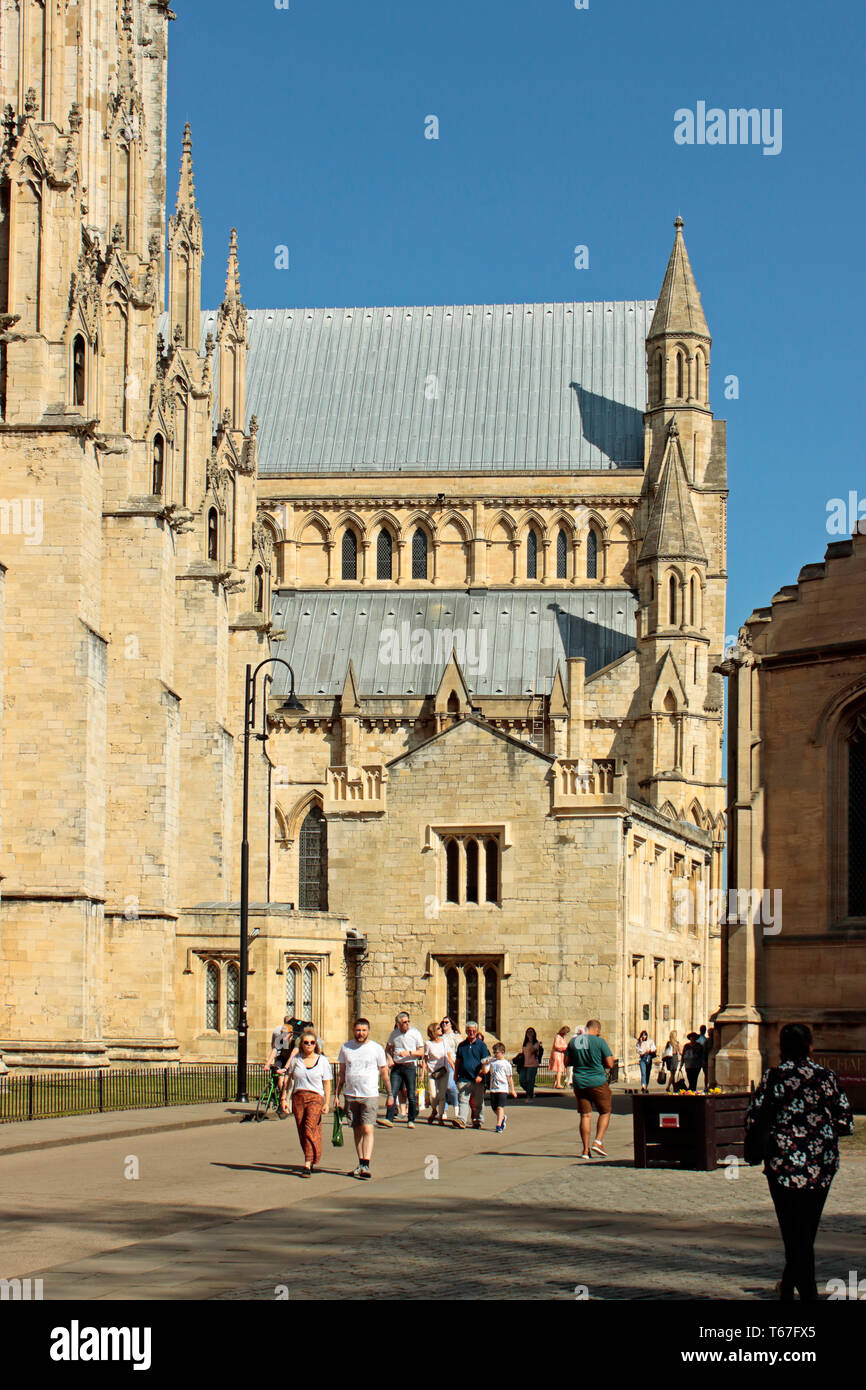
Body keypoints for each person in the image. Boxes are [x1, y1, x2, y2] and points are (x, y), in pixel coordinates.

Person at [745, 1022, 853, 1301]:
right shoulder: (825, 1077)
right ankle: (800, 1290)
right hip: (820, 1164)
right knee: (806, 1231)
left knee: (794, 1232)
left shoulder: (773, 1077)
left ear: (781, 1048)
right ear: (810, 1046)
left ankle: (800, 1291)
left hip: (783, 1164)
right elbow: (845, 1122)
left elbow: (753, 1119)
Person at [336, 1018, 390, 1180]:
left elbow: (384, 1072)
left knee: (367, 1128)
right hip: (351, 1094)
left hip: (370, 1094)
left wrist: (390, 1094)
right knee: (357, 1129)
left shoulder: (376, 1048)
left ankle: (366, 1163)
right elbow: (342, 1073)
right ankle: (361, 1162)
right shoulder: (346, 1047)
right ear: (354, 1030)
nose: (361, 1033)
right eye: (358, 1030)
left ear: (369, 1031)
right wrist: (337, 1094)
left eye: (364, 1030)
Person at [566, 1019, 617, 1158]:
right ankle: (598, 1141)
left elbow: (567, 1062)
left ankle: (585, 1150)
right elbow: (610, 1063)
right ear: (597, 1030)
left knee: (585, 1115)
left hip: (580, 1082)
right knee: (605, 1111)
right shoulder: (599, 1042)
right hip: (597, 1081)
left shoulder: (574, 1041)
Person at [285, 1028, 332, 1176]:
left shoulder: (322, 1061)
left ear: (316, 1044)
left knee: (308, 1128)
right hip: (298, 1097)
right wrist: (284, 1099)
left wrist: (326, 1103)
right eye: (306, 1042)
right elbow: (289, 1081)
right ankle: (313, 1155)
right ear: (301, 1044)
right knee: (302, 1130)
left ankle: (307, 1163)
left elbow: (327, 1084)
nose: (309, 1045)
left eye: (312, 1042)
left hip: (315, 1098)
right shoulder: (296, 1060)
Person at [380, 1011, 425, 1128]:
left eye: (408, 1021)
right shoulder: (394, 1034)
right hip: (397, 1066)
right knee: (392, 1093)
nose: (407, 1024)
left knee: (411, 1094)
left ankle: (411, 1119)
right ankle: (389, 1118)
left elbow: (421, 1051)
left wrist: (409, 1053)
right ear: (398, 1024)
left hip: (409, 1066)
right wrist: (389, 1059)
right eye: (404, 1022)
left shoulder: (415, 1033)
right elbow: (387, 1049)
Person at [454, 1020, 490, 1129]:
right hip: (464, 1078)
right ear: (466, 1031)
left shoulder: (482, 1045)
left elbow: (485, 1062)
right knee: (463, 1100)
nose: (471, 1033)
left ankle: (478, 1120)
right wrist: (455, 1074)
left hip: (477, 1079)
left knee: (478, 1102)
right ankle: (462, 1120)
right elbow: (458, 1061)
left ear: (477, 1031)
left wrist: (480, 1075)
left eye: (473, 1031)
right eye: (469, 1031)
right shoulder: (461, 1045)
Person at [266, 1015, 296, 1117]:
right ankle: (280, 1097)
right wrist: (267, 1063)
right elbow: (275, 1050)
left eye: (286, 1034)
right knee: (279, 1079)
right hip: (282, 1058)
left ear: (291, 1034)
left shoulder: (295, 1041)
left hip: (290, 1060)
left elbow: (292, 1056)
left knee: (285, 1080)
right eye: (282, 1033)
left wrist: (286, 1068)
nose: (283, 1036)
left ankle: (284, 1100)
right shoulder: (280, 1038)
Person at [423, 1021, 453, 1124]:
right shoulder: (428, 1044)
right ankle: (434, 1110)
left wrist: (454, 1069)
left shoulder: (444, 1042)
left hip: (444, 1071)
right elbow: (425, 1059)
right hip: (432, 1072)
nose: (441, 1029)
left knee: (442, 1095)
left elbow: (448, 1057)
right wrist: (423, 1073)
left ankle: (440, 1116)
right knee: (433, 1095)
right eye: (438, 1028)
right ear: (433, 1032)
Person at [487, 1042, 517, 1132]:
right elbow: (486, 1070)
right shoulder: (492, 1062)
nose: (495, 1054)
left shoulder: (506, 1064)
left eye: (497, 1052)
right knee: (494, 1107)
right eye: (494, 1052)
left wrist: (513, 1090)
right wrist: (485, 1063)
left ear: (502, 1052)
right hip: (493, 1088)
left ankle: (499, 1124)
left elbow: (509, 1078)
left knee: (500, 1107)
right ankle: (502, 1117)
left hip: (502, 1088)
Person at [440, 1016, 461, 1122]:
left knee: (450, 1086)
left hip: (452, 1063)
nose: (444, 1024)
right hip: (442, 1065)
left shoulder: (456, 1036)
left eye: (446, 1022)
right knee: (443, 1088)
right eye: (443, 1023)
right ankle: (444, 1110)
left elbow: (459, 1051)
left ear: (451, 1024)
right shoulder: (441, 1037)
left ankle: (456, 1104)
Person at [517, 1027, 543, 1101]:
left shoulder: (536, 1043)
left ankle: (530, 1096)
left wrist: (531, 1040)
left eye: (531, 1032)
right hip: (524, 1065)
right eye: (528, 1032)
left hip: (532, 1064)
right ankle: (530, 1092)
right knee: (522, 1080)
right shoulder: (525, 1043)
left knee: (530, 1081)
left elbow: (532, 1050)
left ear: (534, 1033)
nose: (529, 1033)